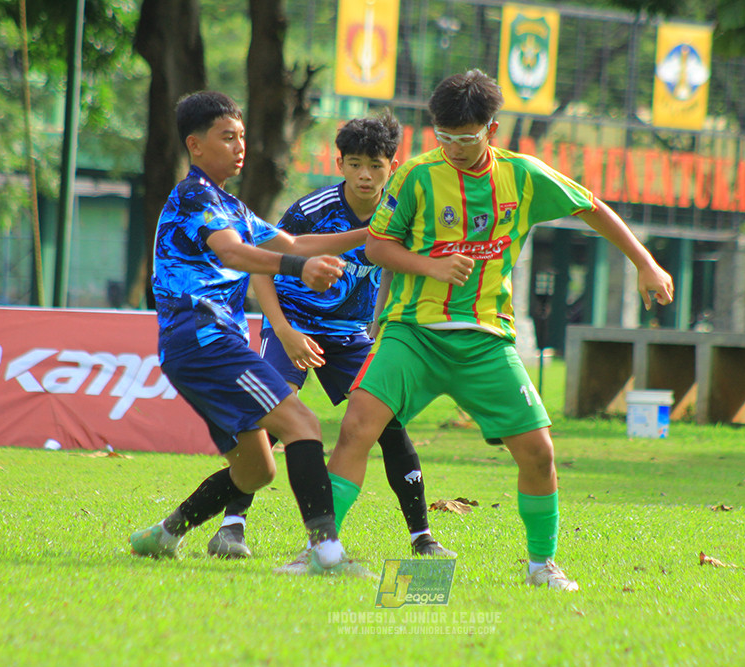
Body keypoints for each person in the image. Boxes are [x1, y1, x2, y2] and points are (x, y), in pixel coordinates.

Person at [324, 70, 675, 590]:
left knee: (539, 451)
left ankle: (541, 565)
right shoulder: (415, 175)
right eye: (444, 137)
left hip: (487, 337)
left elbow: (593, 209)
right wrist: (431, 267)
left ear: (492, 128)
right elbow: (377, 246)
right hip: (413, 330)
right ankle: (323, 549)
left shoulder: (524, 175)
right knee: (357, 427)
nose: (455, 148)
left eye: (466, 137)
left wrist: (645, 263)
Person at [128, 90, 367, 575]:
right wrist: (300, 268)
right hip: (205, 339)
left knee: (257, 469)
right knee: (303, 426)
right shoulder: (196, 196)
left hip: (198, 348)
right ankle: (327, 554)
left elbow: (295, 241)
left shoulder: (229, 204)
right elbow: (235, 254)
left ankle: (164, 534)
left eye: (241, 136)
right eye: (227, 137)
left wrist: (374, 233)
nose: (240, 146)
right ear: (195, 146)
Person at [205, 112, 455, 566]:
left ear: (391, 167)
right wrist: (284, 331)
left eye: (376, 165)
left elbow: (397, 271)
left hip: (350, 336)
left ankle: (422, 537)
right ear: (339, 163)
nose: (365, 174)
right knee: (266, 421)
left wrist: (380, 330)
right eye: (355, 163)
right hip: (292, 326)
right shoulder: (310, 212)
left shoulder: (401, 214)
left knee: (389, 427)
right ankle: (231, 526)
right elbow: (260, 264)